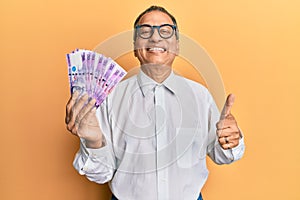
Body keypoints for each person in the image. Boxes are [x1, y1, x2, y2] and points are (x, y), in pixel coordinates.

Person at [65, 5, 245, 200]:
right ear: (134, 46)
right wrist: (93, 141)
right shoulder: (110, 99)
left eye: (165, 31)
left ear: (177, 46)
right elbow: (101, 174)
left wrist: (230, 142)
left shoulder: (201, 96)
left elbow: (221, 155)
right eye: (145, 31)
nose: (156, 38)